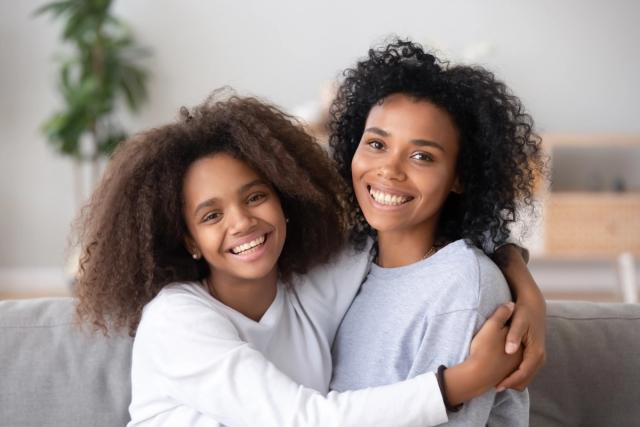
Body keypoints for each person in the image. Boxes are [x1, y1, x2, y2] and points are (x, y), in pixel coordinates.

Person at [74, 93, 530, 426]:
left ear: (285, 198)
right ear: (188, 238)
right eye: (211, 215)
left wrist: (520, 281)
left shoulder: (315, 282)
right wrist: (462, 382)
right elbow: (305, 420)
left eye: (255, 197)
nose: (242, 223)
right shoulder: (178, 319)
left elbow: (411, 223)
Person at [329, 39, 546, 425]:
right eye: (377, 143)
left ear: (460, 177)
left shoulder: (461, 286)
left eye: (422, 156)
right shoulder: (348, 258)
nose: (389, 170)